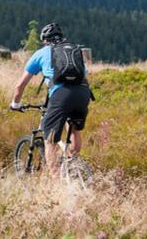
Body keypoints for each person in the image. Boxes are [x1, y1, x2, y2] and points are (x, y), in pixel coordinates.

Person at [10, 22, 91, 175]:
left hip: (61, 95)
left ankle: (55, 182)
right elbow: (85, 76)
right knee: (73, 128)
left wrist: (15, 103)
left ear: (45, 40)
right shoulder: (74, 51)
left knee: (50, 139)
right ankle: (72, 167)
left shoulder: (41, 53)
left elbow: (20, 85)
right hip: (83, 93)